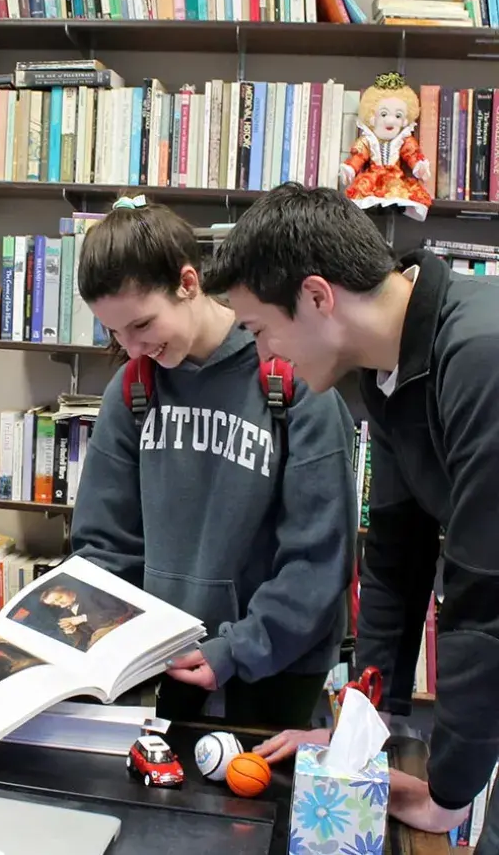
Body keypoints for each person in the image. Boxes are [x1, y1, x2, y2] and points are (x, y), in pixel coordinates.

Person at [201, 181, 497, 844]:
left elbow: (487, 602)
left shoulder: (482, 359)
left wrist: (448, 794)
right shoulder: (390, 372)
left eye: (258, 329)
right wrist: (364, 728)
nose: (264, 357)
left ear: (315, 297)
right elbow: (396, 560)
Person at [69, 194, 359, 730]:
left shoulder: (292, 377)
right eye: (113, 333)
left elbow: (319, 558)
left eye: (141, 325)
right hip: (164, 662)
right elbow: (105, 546)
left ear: (187, 282)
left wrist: (239, 649)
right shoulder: (133, 387)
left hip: (276, 667)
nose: (131, 349)